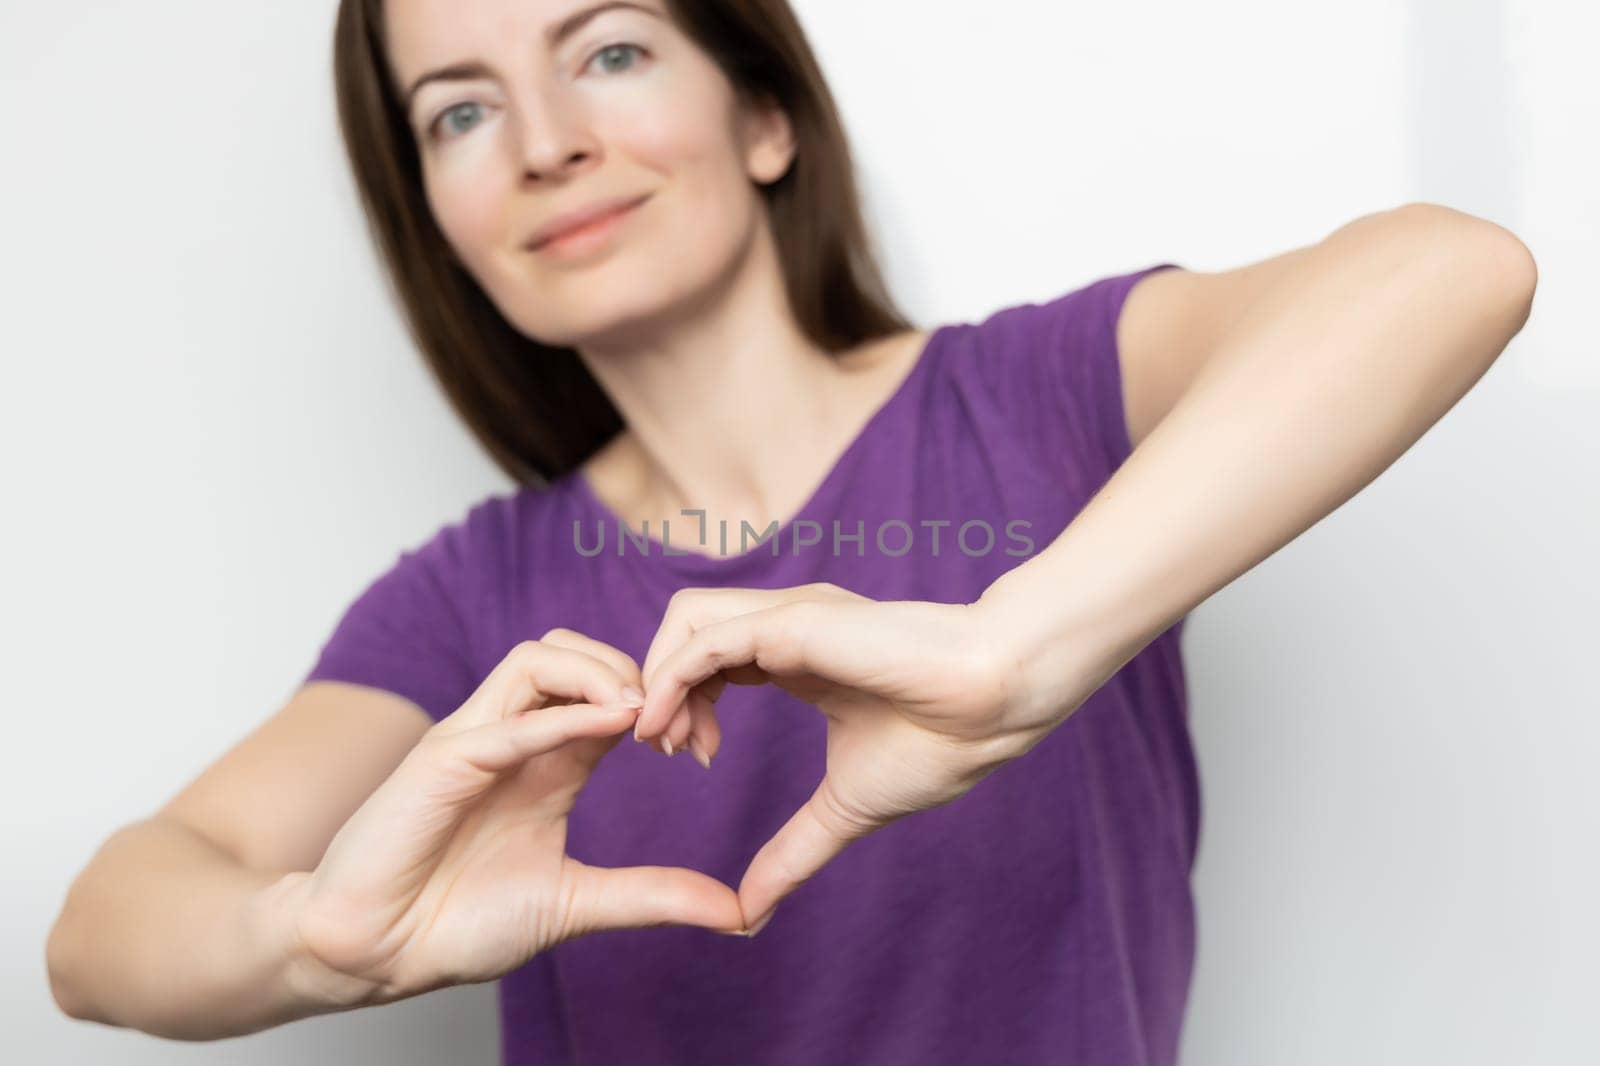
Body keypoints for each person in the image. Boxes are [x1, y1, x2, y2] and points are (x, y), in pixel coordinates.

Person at [44, 0, 1537, 1062]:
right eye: (461, 110)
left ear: (764, 115)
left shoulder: (1034, 403)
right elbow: (104, 930)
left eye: (610, 50)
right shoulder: (471, 595)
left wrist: (1011, 649)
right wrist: (319, 936)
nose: (546, 142)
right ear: (434, 207)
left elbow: (1444, 270)